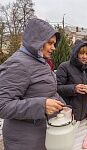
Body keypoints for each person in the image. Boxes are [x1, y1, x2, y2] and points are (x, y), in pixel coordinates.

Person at [0, 18, 65, 150]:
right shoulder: (18, 64)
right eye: (50, 43)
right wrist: (41, 106)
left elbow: (48, 91)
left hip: (42, 135)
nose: (54, 48)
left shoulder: (40, 61)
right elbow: (3, 105)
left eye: (55, 43)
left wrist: (64, 107)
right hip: (25, 141)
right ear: (37, 41)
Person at [56, 39, 87, 121]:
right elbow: (57, 88)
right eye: (81, 53)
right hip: (69, 114)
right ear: (75, 54)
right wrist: (74, 88)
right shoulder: (64, 67)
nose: (84, 56)